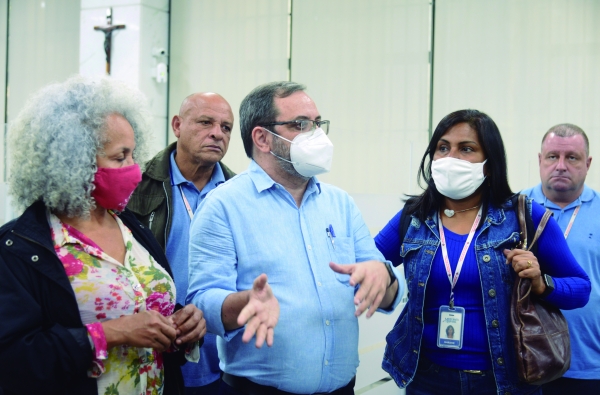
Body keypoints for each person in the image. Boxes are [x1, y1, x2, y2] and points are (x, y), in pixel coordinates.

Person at [186, 81, 404, 395]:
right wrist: (245, 302)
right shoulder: (223, 206)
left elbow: (383, 293)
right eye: (301, 125)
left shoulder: (340, 203)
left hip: (342, 388)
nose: (316, 135)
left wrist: (384, 276)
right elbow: (203, 302)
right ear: (262, 138)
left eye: (318, 124)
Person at [0, 76, 206, 395]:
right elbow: (15, 359)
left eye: (133, 155)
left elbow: (143, 302)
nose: (134, 169)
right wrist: (111, 333)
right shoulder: (20, 248)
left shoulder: (131, 227)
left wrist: (182, 322)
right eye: (119, 157)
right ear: (75, 165)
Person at [375, 109, 590, 395]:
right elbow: (370, 261)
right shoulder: (415, 216)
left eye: (466, 149)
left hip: (505, 381)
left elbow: (581, 288)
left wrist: (541, 283)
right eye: (443, 148)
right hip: (426, 378)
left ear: (490, 163)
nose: (451, 158)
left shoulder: (523, 215)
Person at [128, 92, 236, 394]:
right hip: (155, 354)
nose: (217, 133)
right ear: (177, 125)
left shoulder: (239, 195)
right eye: (205, 122)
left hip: (224, 362)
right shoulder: (137, 186)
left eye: (226, 127)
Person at [521, 124, 600, 394]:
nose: (561, 166)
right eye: (553, 156)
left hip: (589, 365)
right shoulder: (513, 211)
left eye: (572, 158)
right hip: (524, 360)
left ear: (587, 163)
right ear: (540, 160)